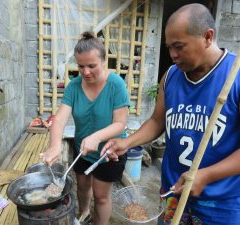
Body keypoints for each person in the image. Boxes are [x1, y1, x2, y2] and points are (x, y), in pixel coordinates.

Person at [99, 3, 240, 225]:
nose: (172, 55)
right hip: (172, 193)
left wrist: (206, 175)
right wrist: (126, 142)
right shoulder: (172, 76)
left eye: (179, 46)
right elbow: (157, 121)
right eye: (169, 47)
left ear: (208, 37)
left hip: (219, 204)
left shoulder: (235, 76)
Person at [40, 31, 129, 225]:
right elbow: (61, 119)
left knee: (101, 196)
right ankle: (84, 213)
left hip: (109, 152)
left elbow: (120, 124)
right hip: (83, 149)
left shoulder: (116, 85)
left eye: (92, 66)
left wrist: (97, 137)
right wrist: (55, 145)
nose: (86, 72)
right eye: (81, 66)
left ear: (104, 61)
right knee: (81, 187)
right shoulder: (73, 86)